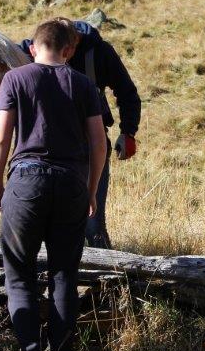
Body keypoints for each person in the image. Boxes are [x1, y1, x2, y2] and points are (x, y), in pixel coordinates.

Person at [0, 18, 107, 351]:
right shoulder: (84, 84)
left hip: (25, 182)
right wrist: (90, 191)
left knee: (19, 274)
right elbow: (99, 143)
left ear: (32, 47)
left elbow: (0, 139)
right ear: (69, 50)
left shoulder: (16, 79)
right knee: (63, 275)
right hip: (71, 183)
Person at [18, 20, 140, 249]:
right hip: (49, 149)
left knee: (92, 223)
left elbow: (126, 92)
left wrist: (128, 132)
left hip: (90, 145)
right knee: (49, 220)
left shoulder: (100, 52)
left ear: (74, 45)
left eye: (69, 49)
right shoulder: (42, 44)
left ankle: (106, 280)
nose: (65, 54)